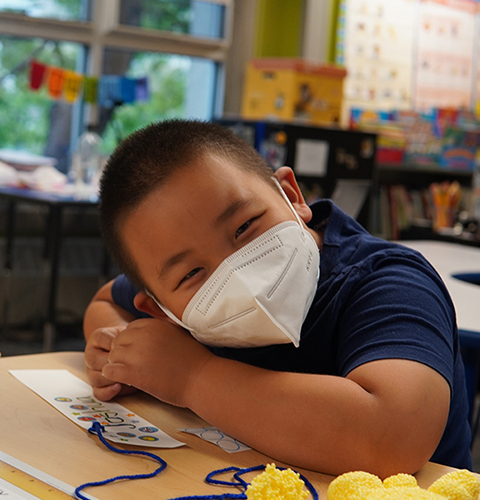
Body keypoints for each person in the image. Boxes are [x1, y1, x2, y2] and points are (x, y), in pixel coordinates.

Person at [83, 119, 471, 477]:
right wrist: (124, 353)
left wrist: (190, 377)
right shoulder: (170, 305)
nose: (237, 271)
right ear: (161, 310)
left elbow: (391, 438)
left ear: (290, 195)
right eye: (192, 273)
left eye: (246, 226)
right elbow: (104, 302)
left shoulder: (389, 281)